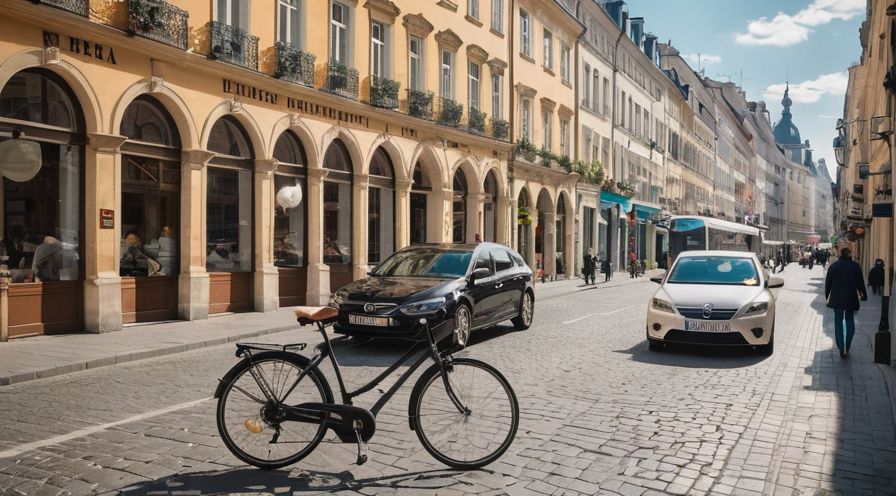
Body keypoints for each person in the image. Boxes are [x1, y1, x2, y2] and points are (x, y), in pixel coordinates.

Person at [825, 247, 868, 358]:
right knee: (850, 321)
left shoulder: (834, 266)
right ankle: (847, 346)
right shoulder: (855, 266)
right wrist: (864, 295)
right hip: (850, 299)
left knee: (838, 323)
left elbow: (828, 283)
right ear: (849, 255)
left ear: (840, 254)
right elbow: (860, 282)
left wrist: (827, 295)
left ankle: (841, 347)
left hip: (837, 300)